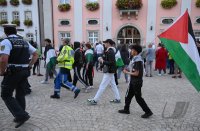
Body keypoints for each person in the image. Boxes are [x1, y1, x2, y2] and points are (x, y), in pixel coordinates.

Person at [0, 24, 38, 128]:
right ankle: (20, 114)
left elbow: (3, 59)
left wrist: (2, 71)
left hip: (13, 71)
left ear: (6, 32)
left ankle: (21, 115)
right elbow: (36, 54)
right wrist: (29, 66)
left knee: (6, 94)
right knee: (20, 93)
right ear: (15, 31)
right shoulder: (24, 41)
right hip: (24, 71)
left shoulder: (6, 42)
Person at [118, 45, 153, 118]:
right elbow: (132, 69)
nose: (131, 51)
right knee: (128, 96)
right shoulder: (134, 58)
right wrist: (128, 70)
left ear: (136, 51)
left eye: (132, 50)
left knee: (138, 98)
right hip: (133, 81)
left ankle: (148, 111)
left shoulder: (138, 60)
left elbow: (136, 73)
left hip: (137, 82)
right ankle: (126, 109)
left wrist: (126, 72)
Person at [87, 39, 121, 105]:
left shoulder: (110, 51)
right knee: (113, 85)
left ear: (108, 43)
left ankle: (95, 100)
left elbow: (111, 62)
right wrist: (101, 65)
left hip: (109, 71)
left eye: (105, 43)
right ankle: (118, 98)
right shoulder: (109, 50)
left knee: (102, 86)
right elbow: (108, 61)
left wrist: (102, 61)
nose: (104, 44)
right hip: (110, 70)